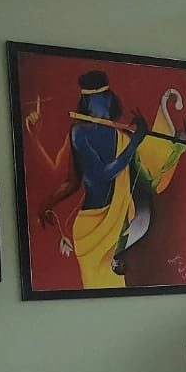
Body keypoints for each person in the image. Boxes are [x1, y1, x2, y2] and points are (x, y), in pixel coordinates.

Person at [34, 70, 150, 289]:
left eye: (103, 97)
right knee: (95, 290)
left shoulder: (122, 137)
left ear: (110, 98)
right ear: (86, 103)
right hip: (90, 230)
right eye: (94, 99)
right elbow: (94, 176)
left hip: (117, 225)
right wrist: (47, 203)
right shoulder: (79, 133)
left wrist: (135, 140)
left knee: (117, 289)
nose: (100, 103)